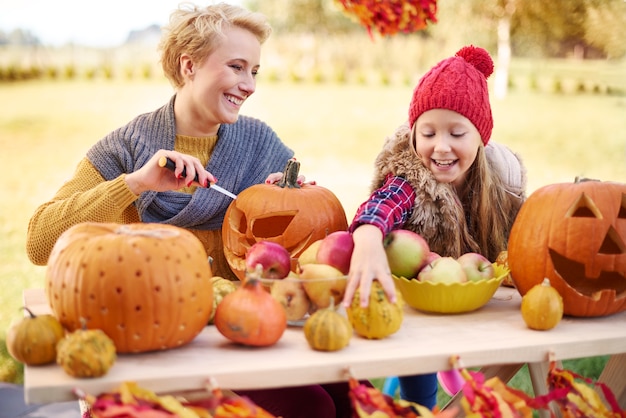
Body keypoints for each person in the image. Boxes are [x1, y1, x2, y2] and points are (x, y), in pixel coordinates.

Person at [25, 3, 353, 417]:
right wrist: (134, 184)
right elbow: (39, 243)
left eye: (255, 71)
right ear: (189, 66)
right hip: (155, 347)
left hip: (239, 333)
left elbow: (304, 236)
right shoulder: (126, 148)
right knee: (311, 407)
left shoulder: (260, 143)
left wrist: (295, 193)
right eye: (236, 67)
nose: (249, 84)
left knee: (343, 391)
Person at [342, 45, 527, 409]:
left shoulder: (499, 186)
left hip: (474, 300)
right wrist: (366, 238)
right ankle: (422, 407)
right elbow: (378, 208)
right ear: (413, 136)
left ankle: (462, 387)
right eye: (428, 133)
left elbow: (531, 235)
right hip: (421, 307)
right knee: (420, 357)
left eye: (456, 133)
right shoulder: (411, 180)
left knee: (490, 361)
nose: (440, 147)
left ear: (480, 136)